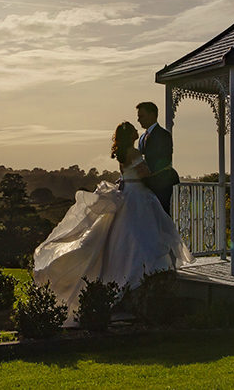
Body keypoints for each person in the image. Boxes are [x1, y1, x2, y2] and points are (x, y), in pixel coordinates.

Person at [32, 122, 194, 326]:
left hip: (128, 193)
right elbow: (145, 174)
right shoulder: (134, 153)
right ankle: (141, 272)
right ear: (130, 135)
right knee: (142, 235)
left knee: (124, 237)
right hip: (138, 196)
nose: (138, 130)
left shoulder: (122, 154)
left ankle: (128, 273)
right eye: (134, 129)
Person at [136, 101, 180, 214]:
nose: (138, 120)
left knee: (161, 216)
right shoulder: (142, 137)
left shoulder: (164, 135)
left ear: (152, 115)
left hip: (161, 184)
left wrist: (148, 174)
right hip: (145, 185)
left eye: (141, 116)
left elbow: (165, 159)